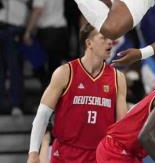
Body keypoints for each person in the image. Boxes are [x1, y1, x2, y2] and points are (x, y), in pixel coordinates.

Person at [27, 23, 127, 163]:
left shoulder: (118, 78)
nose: (110, 41)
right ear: (89, 43)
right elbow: (42, 115)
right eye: (103, 38)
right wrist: (33, 153)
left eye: (110, 38)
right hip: (65, 153)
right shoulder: (65, 72)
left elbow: (122, 124)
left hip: (99, 154)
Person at [0, 0, 30, 115]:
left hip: (14, 28)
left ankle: (16, 104)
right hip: (3, 27)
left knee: (14, 68)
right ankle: (3, 105)